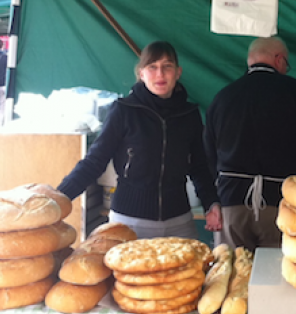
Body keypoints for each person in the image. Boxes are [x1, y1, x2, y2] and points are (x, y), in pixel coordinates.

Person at [57, 41, 222, 240]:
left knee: (191, 270)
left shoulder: (189, 114)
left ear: (178, 72)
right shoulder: (124, 110)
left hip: (179, 222)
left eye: (167, 66)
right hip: (129, 222)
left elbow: (199, 167)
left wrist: (211, 203)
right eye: (152, 67)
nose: (160, 74)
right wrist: (60, 199)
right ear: (141, 73)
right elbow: (94, 162)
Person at [204, 36, 296, 252]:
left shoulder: (222, 97)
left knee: (233, 275)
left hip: (232, 204)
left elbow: (207, 157)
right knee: (276, 280)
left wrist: (213, 202)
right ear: (279, 59)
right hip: (283, 206)